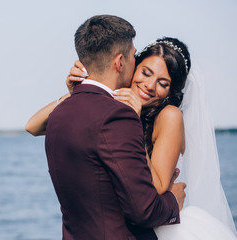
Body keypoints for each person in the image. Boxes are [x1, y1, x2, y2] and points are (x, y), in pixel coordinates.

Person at [26, 33, 237, 239]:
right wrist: (78, 91)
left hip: (155, 228)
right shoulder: (115, 102)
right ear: (131, 66)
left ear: (172, 91)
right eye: (146, 72)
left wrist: (134, 120)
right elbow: (33, 126)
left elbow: (159, 186)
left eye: (163, 83)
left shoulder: (169, 116)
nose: (150, 86)